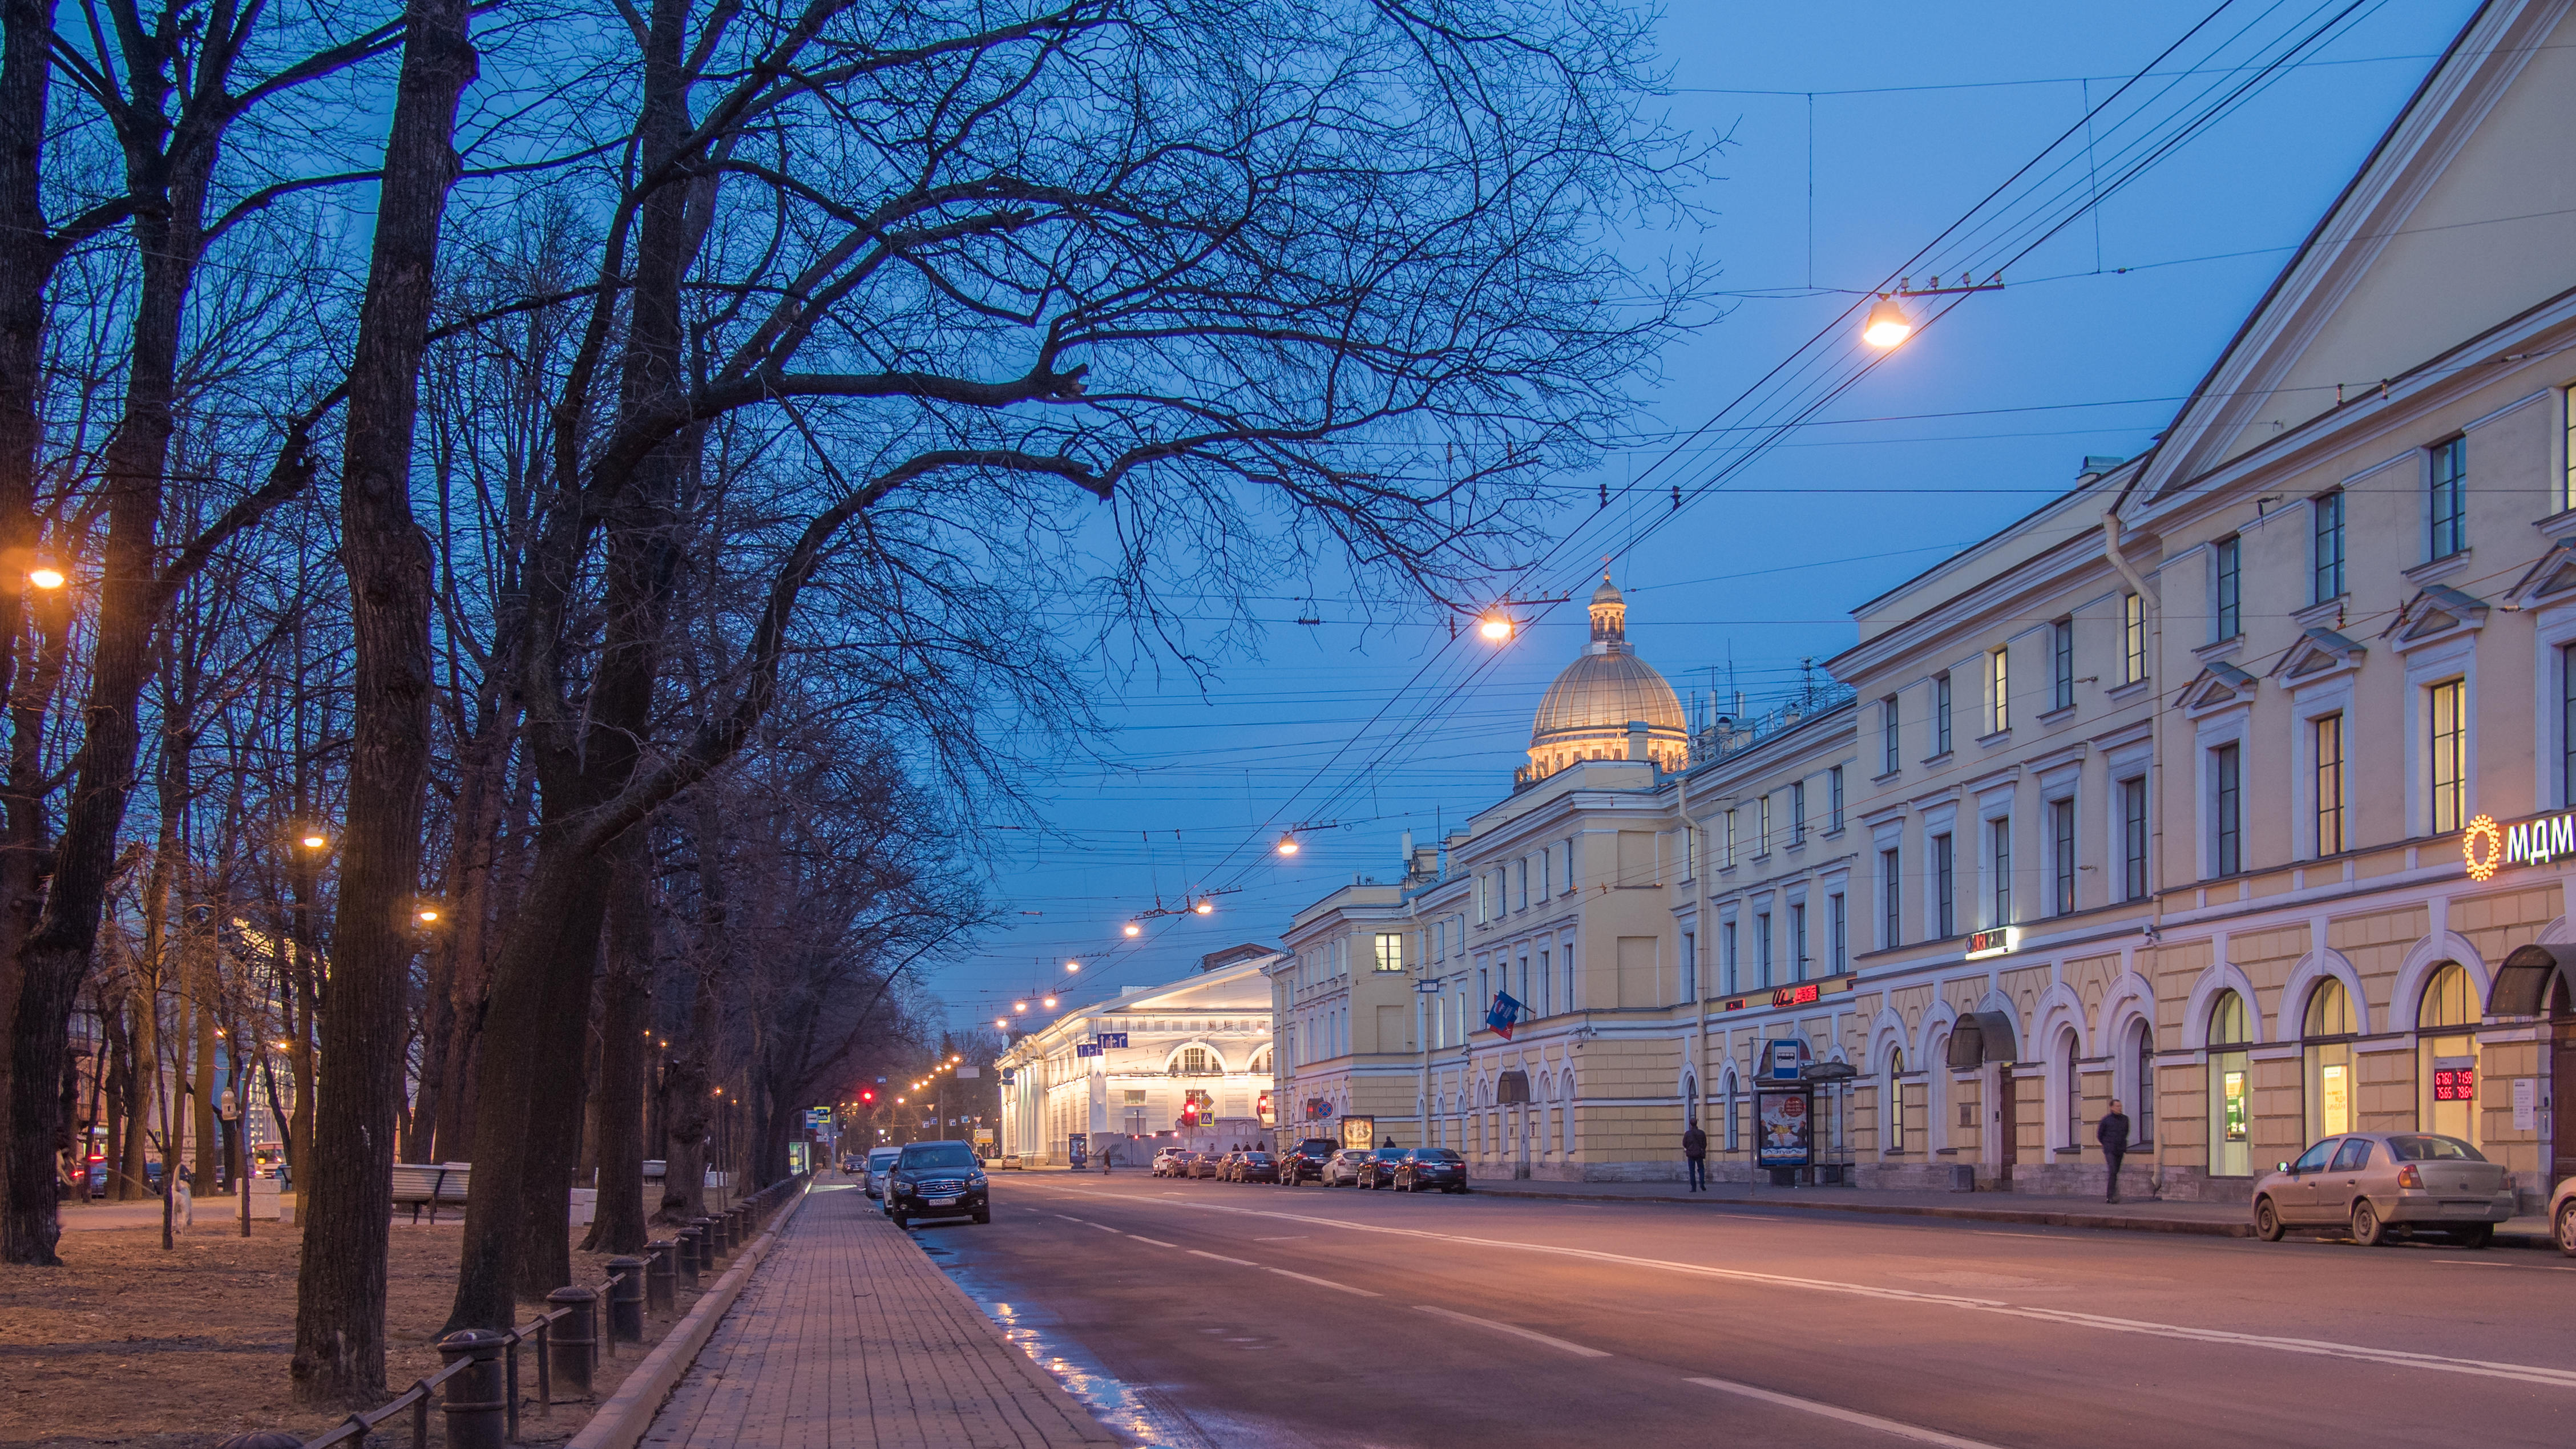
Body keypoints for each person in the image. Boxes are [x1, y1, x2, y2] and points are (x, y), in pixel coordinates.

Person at [2097, 1099, 2131, 1203]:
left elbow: (2126, 1132)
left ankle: (2114, 1193)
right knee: (2112, 1170)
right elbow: (2100, 1135)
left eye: (2120, 1106)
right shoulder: (2106, 1120)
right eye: (2117, 1106)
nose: (2119, 1108)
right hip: (2110, 1149)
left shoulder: (2125, 1119)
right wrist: (2107, 1144)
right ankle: (2110, 1196)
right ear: (2111, 1108)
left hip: (2120, 1149)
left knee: (2115, 1172)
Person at [1681, 1119, 1708, 1192]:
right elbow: (1705, 1144)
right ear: (1697, 1124)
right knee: (1701, 1169)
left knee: (1692, 1171)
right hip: (1699, 1153)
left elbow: (1684, 1144)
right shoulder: (1702, 1133)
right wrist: (1701, 1149)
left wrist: (1689, 1149)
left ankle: (1694, 1188)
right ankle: (1702, 1184)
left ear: (1690, 1124)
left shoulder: (1688, 1134)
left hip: (1691, 1154)